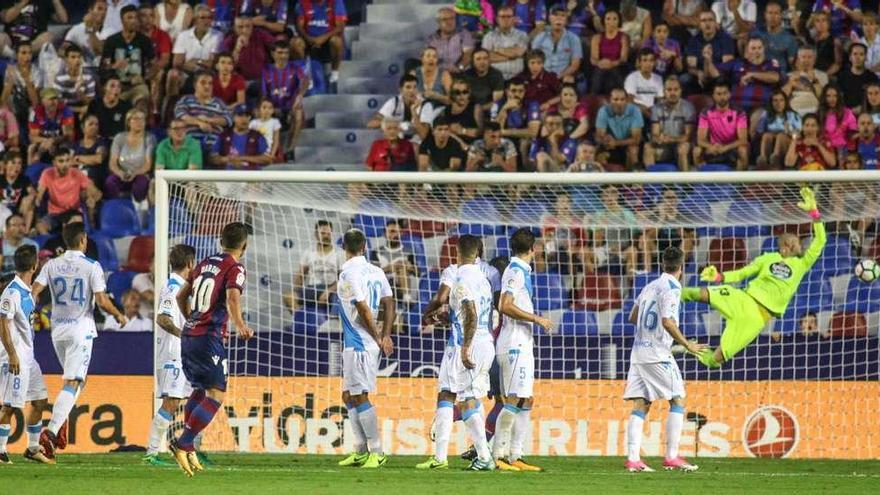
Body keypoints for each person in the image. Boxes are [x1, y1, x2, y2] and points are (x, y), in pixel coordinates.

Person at [684, 188, 825, 369]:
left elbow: (820, 240)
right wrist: (719, 276)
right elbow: (742, 273)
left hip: (757, 318)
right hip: (743, 298)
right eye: (798, 243)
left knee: (715, 360)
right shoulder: (767, 258)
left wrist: (813, 211)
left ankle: (693, 348)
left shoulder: (802, 264)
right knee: (697, 294)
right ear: (788, 245)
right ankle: (667, 297)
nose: (801, 245)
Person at [34, 222, 127, 458]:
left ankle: (61, 421)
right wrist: (118, 315)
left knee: (77, 380)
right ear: (83, 239)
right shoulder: (91, 266)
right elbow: (102, 300)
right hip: (80, 329)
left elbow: (34, 291)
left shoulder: (52, 264)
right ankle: (51, 431)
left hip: (57, 330)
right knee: (74, 382)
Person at [168, 222, 253, 476]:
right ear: (244, 246)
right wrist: (241, 325)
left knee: (200, 389)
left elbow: (180, 297)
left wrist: (191, 319)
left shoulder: (204, 263)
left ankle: (189, 446)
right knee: (216, 394)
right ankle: (183, 443)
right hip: (208, 337)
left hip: (191, 335)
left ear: (220, 240)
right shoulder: (235, 267)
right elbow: (232, 297)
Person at [623, 246, 706, 473]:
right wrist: (687, 344)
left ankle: (633, 460)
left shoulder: (650, 285)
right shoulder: (672, 287)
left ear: (662, 264)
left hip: (638, 352)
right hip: (657, 354)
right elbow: (668, 322)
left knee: (642, 403)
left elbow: (632, 317)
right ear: (681, 267)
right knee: (678, 399)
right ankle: (671, 456)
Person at [416, 235, 494, 471]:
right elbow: (464, 313)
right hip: (480, 341)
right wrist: (442, 318)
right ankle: (441, 458)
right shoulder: (484, 278)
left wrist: (465, 347)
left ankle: (484, 457)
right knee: (451, 395)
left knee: (468, 400)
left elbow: (471, 313)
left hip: (470, 345)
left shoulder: (460, 278)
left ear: (457, 253)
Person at [489, 228, 552, 471]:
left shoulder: (520, 270)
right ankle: (499, 456)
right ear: (533, 249)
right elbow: (504, 305)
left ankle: (515, 455)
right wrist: (536, 319)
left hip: (520, 343)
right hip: (514, 344)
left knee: (526, 399)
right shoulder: (515, 271)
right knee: (514, 399)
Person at [335, 228, 394, 469]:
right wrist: (386, 333)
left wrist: (379, 336)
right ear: (365, 246)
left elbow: (362, 307)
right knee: (348, 395)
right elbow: (389, 301)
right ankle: (360, 451)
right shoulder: (377, 271)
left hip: (361, 342)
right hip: (359, 342)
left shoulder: (348, 273)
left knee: (359, 395)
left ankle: (377, 451)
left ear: (344, 247)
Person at [0, 245, 54, 465]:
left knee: (40, 401)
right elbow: (2, 323)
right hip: (16, 358)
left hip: (29, 358)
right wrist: (12, 355)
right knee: (10, 406)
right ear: (35, 266)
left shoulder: (26, 292)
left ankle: (32, 448)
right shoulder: (12, 292)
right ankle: (1, 450)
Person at [704, 36, 782, 114]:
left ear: (763, 49)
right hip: (735, 104)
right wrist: (708, 60)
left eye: (759, 48)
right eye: (753, 48)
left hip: (759, 105)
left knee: (761, 114)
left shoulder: (770, 63)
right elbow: (715, 74)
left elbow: (775, 77)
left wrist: (752, 75)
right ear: (747, 50)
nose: (757, 51)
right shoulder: (737, 63)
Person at [35, 148, 103, 234]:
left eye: (67, 160)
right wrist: (37, 199)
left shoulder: (77, 173)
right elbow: (40, 193)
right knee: (39, 226)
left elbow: (97, 193)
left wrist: (93, 198)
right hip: (55, 213)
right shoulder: (47, 173)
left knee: (71, 229)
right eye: (61, 161)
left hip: (73, 212)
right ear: (54, 163)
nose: (65, 164)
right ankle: (51, 244)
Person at [101, 5, 156, 109]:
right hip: (117, 86)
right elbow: (103, 68)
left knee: (142, 100)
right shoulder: (112, 41)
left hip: (137, 86)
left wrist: (144, 78)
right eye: (130, 18)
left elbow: (154, 64)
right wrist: (114, 66)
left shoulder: (144, 41)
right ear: (122, 20)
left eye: (136, 18)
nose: (134, 21)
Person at [283, 220, 343, 314]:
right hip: (312, 288)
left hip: (332, 289)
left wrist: (329, 291)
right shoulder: (309, 252)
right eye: (323, 233)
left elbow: (343, 279)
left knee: (339, 298)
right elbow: (300, 276)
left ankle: (331, 325)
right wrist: (296, 291)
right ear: (316, 234)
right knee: (289, 297)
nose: (326, 236)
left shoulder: (339, 253)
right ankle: (302, 319)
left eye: (329, 233)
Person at [167, 4, 222, 102]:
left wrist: (196, 61)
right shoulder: (183, 36)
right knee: (173, 74)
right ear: (195, 20)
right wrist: (197, 64)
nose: (207, 21)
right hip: (187, 72)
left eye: (209, 18)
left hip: (208, 73)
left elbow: (212, 63)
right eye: (203, 18)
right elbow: (177, 63)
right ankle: (172, 105)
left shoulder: (217, 36)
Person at [174, 71, 233, 154]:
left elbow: (229, 119)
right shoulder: (186, 99)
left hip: (214, 146)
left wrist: (209, 120)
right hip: (189, 144)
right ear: (195, 85)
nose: (207, 86)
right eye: (203, 83)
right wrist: (199, 123)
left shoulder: (219, 103)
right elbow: (181, 116)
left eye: (210, 83)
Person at [694, 81, 748, 170]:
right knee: (697, 151)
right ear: (713, 96)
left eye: (725, 93)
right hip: (714, 147)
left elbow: (743, 139)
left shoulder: (739, 112)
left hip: (731, 147)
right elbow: (700, 140)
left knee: (743, 150)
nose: (722, 97)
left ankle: (741, 182)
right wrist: (711, 146)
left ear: (729, 94)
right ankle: (701, 181)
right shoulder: (706, 112)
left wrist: (725, 148)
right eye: (718, 94)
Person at [645, 76, 695, 170]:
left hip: (682, 144)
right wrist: (658, 138)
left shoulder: (688, 108)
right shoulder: (656, 108)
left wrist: (671, 139)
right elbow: (655, 133)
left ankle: (684, 183)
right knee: (648, 147)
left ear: (680, 91)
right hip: (664, 146)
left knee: (683, 148)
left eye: (676, 89)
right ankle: (651, 183)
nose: (672, 93)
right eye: (669, 90)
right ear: (664, 92)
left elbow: (688, 136)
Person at [105, 108, 155, 202]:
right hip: (122, 173)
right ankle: (116, 207)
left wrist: (135, 173)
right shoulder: (119, 138)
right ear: (128, 122)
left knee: (141, 184)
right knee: (110, 182)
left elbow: (148, 165)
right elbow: (112, 163)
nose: (139, 122)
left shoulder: (149, 138)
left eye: (142, 119)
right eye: (136, 119)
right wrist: (120, 173)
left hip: (140, 173)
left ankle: (139, 211)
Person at [294, 0, 348, 85]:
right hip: (309, 41)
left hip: (328, 42)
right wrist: (309, 39)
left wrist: (323, 38)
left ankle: (334, 74)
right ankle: (306, 77)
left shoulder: (336, 2)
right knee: (295, 43)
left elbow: (340, 26)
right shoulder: (302, 2)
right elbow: (299, 26)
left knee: (337, 41)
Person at [370, 220, 418, 306]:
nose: (395, 235)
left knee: (402, 268)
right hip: (382, 286)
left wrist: (410, 267)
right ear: (385, 234)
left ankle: (407, 299)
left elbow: (418, 273)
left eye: (398, 232)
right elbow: (372, 274)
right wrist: (390, 268)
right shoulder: (376, 252)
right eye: (392, 231)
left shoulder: (408, 251)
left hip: (400, 286)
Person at [684, 11, 735, 93]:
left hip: (718, 73)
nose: (707, 24)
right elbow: (691, 66)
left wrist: (709, 66)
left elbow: (727, 66)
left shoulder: (726, 39)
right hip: (700, 75)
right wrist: (698, 73)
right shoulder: (693, 41)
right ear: (699, 24)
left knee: (723, 79)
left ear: (715, 23)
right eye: (703, 20)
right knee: (685, 79)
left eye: (710, 20)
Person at [595, 87, 643, 170]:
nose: (619, 103)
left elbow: (636, 139)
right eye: (615, 99)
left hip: (627, 143)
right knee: (600, 156)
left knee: (633, 150)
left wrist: (616, 143)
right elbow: (600, 135)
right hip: (611, 145)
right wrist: (605, 139)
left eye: (622, 99)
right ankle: (605, 182)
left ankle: (633, 181)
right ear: (610, 100)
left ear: (627, 100)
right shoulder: (603, 111)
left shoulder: (635, 110)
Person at [211, 105, 271, 171]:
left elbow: (267, 159)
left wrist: (242, 158)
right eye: (240, 115)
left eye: (247, 116)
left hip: (251, 177)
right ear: (233, 117)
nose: (244, 119)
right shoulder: (223, 135)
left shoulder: (257, 136)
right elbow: (213, 158)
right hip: (227, 177)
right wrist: (228, 159)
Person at [531, 6, 582, 83]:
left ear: (566, 20)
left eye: (562, 15)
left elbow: (574, 65)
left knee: (570, 81)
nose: (559, 18)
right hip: (542, 76)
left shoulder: (574, 39)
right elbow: (533, 60)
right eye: (555, 15)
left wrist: (559, 77)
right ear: (549, 18)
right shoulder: (540, 37)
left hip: (563, 76)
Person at [753, 90, 801, 169]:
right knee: (766, 135)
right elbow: (759, 132)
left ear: (785, 102)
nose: (778, 103)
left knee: (780, 136)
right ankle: (763, 160)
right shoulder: (766, 114)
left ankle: (776, 159)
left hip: (787, 141)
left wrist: (789, 131)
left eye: (781, 100)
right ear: (771, 103)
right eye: (775, 100)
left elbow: (798, 135)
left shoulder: (793, 115)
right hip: (770, 142)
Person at [27, 88, 75, 165]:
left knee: (65, 146)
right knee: (32, 148)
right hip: (42, 143)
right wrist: (47, 142)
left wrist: (52, 141)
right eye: (50, 99)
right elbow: (32, 137)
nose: (53, 102)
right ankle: (32, 171)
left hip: (61, 142)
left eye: (55, 98)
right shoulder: (35, 112)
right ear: (42, 100)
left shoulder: (66, 111)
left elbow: (68, 135)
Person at [482, 5, 529, 80]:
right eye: (502, 16)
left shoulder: (522, 35)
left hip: (517, 77)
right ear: (497, 19)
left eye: (509, 16)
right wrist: (511, 56)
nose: (506, 19)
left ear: (513, 19)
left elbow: (518, 53)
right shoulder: (489, 36)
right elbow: (487, 58)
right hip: (494, 78)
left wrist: (497, 50)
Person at [223, 15, 275, 83]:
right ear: (234, 28)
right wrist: (237, 49)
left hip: (262, 80)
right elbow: (226, 67)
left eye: (248, 26)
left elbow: (278, 47)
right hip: (239, 81)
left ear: (252, 26)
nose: (244, 30)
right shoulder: (229, 41)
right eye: (240, 27)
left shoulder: (260, 34)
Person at [590, 10, 630, 96]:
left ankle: (620, 97)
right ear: (603, 21)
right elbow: (593, 59)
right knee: (600, 72)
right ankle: (593, 99)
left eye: (614, 19)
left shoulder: (624, 37)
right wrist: (600, 63)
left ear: (619, 21)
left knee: (613, 72)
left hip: (618, 67)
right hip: (600, 67)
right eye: (608, 19)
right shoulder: (597, 37)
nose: (611, 22)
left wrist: (611, 64)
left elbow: (624, 58)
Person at [62, 0, 108, 73]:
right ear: (90, 11)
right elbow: (62, 51)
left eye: (106, 10)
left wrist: (90, 29)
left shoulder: (109, 31)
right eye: (99, 9)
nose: (103, 13)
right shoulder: (76, 29)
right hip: (78, 70)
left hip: (100, 70)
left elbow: (99, 51)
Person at [750, 1, 797, 72]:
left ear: (781, 15)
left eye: (776, 13)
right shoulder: (756, 33)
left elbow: (793, 65)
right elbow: (748, 58)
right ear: (765, 15)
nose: (773, 17)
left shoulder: (789, 38)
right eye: (770, 13)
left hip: (780, 77)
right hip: (758, 74)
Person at [53, 45, 97, 119]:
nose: (77, 60)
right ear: (66, 59)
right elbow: (57, 105)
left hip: (83, 108)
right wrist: (78, 110)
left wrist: (80, 92)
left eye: (79, 57)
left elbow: (90, 102)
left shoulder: (88, 76)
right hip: (66, 110)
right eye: (73, 57)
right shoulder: (59, 78)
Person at [782, 46, 828, 116]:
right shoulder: (789, 76)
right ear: (798, 59)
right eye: (803, 57)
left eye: (809, 57)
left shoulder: (822, 75)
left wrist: (814, 80)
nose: (806, 60)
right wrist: (790, 83)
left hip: (814, 112)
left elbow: (824, 99)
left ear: (814, 60)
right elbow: (782, 97)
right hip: (794, 112)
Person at [427, 7, 475, 73]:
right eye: (444, 19)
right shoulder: (432, 39)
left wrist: (459, 68)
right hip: (440, 74)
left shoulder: (464, 34)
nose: (449, 22)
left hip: (461, 72)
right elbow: (429, 59)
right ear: (438, 22)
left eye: (452, 18)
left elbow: (468, 54)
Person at [87, 75, 133, 139]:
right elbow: (89, 126)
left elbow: (130, 130)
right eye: (112, 86)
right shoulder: (94, 105)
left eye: (119, 86)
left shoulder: (126, 106)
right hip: (99, 141)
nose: (116, 89)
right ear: (104, 88)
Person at [0, 152, 36, 230]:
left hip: (17, 210)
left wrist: (29, 198)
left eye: (19, 163)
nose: (16, 166)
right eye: (13, 163)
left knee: (30, 207)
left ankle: (25, 232)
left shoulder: (24, 179)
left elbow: (32, 192)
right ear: (5, 165)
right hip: (2, 210)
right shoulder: (0, 179)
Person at [817, 85, 856, 157]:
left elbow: (853, 132)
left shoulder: (847, 112)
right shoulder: (819, 114)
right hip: (825, 149)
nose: (832, 99)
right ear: (824, 98)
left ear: (839, 97)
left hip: (843, 149)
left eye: (835, 96)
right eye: (828, 96)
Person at [624, 49, 664, 116]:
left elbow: (660, 100)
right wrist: (642, 108)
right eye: (645, 60)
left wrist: (654, 110)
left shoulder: (658, 79)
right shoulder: (632, 78)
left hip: (652, 112)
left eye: (651, 60)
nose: (648, 64)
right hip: (636, 112)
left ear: (654, 63)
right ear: (639, 63)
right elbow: (629, 101)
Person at [839, 43, 879, 109]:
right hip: (847, 114)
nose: (858, 57)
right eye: (855, 54)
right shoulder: (842, 77)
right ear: (850, 57)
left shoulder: (873, 77)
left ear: (866, 57)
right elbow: (839, 99)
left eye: (861, 54)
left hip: (867, 113)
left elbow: (876, 100)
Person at [73, 114, 108, 185]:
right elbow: (70, 161)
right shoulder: (76, 144)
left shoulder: (101, 142)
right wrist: (89, 160)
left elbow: (98, 159)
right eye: (90, 124)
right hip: (77, 178)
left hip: (94, 179)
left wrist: (78, 158)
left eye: (96, 124)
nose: (94, 127)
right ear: (82, 127)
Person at [808, 11, 842, 77]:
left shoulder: (835, 41)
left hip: (827, 75)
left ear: (828, 23)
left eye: (824, 20)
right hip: (811, 74)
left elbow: (838, 64)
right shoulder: (811, 40)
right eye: (817, 21)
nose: (821, 23)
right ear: (814, 24)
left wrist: (824, 76)